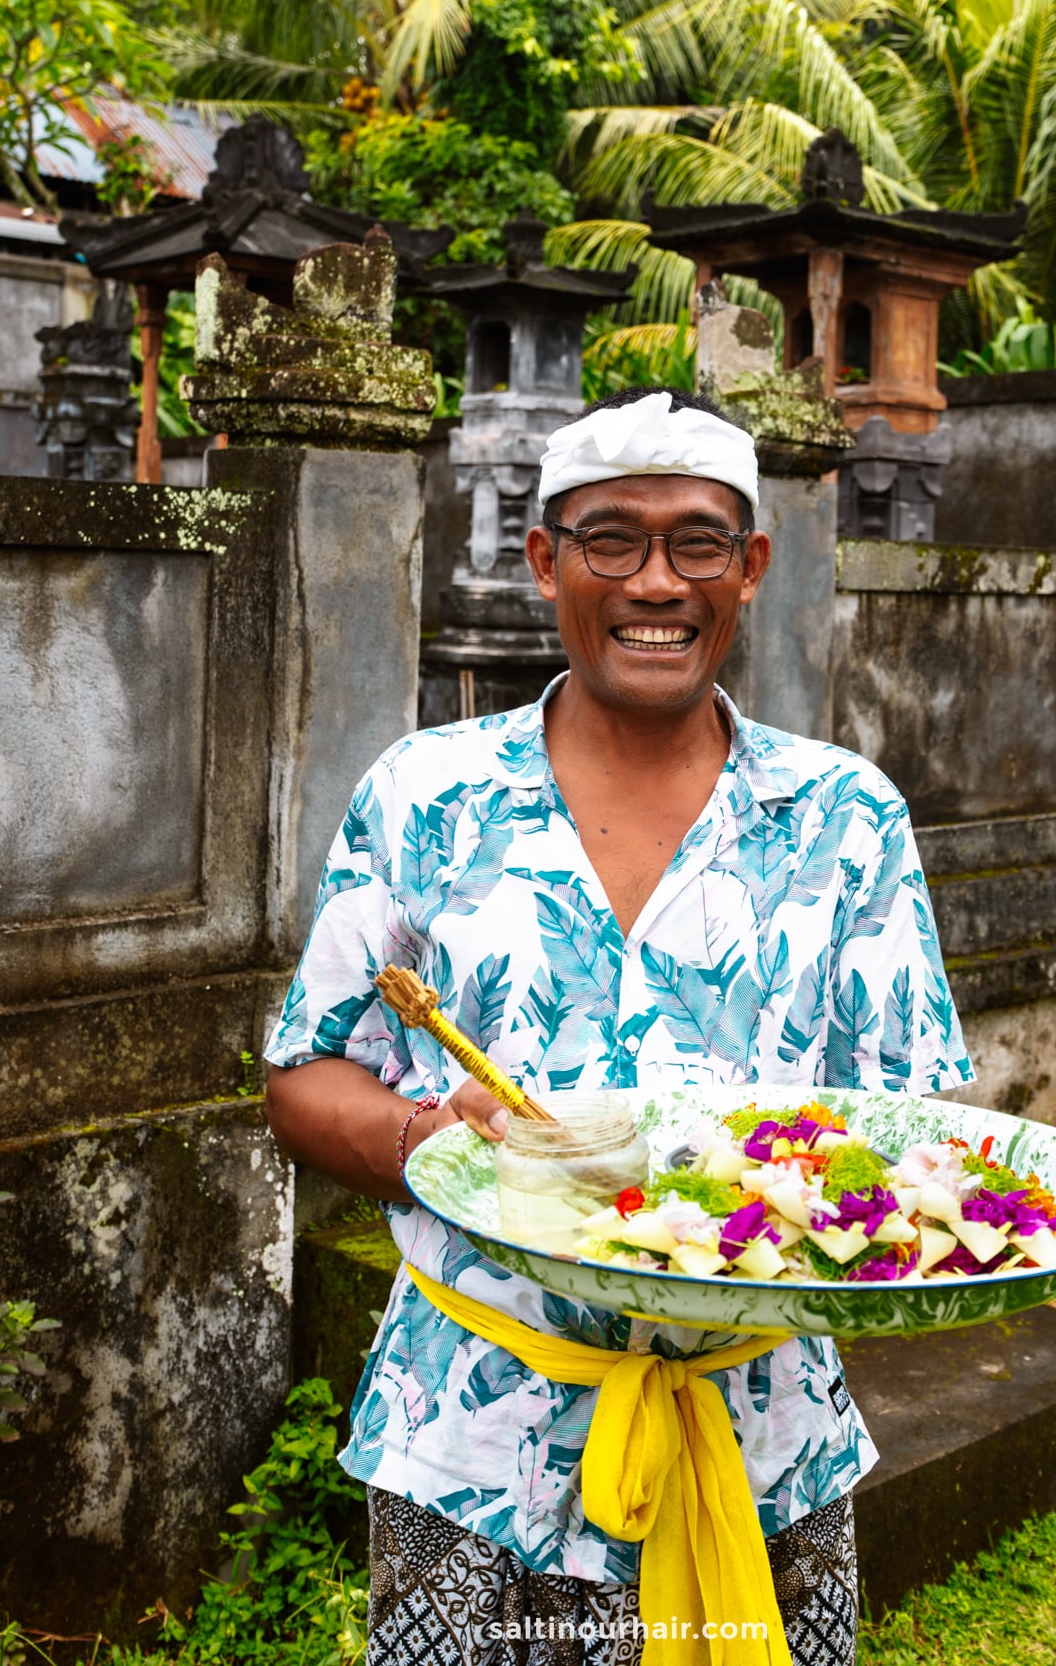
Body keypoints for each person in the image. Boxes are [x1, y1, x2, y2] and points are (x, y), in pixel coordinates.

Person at [265, 387, 972, 1666]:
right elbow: (306, 1080)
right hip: (471, 1442)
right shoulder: (427, 797)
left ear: (750, 566)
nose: (657, 581)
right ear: (545, 562)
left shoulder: (844, 820)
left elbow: (912, 1127)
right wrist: (441, 1135)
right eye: (611, 540)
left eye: (697, 541)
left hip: (760, 1440)